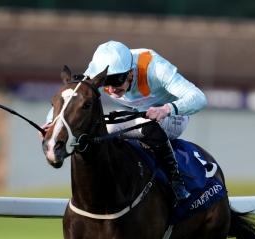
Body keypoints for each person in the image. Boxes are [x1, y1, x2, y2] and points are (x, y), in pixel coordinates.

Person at [78, 40, 207, 201]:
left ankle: (176, 181)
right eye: (106, 83)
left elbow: (199, 98)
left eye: (116, 81)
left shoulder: (155, 68)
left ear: (130, 72)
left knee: (141, 125)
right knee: (96, 128)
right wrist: (52, 123)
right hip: (137, 113)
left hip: (172, 116)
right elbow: (68, 99)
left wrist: (165, 109)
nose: (111, 89)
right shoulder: (97, 70)